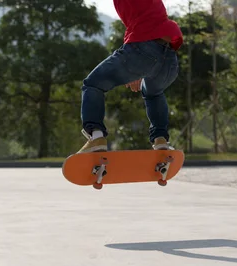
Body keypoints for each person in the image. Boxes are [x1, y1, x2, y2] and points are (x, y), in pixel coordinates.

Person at [77, 0, 184, 153]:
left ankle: (96, 136)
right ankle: (161, 140)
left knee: (93, 84)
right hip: (169, 58)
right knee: (153, 93)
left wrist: (137, 63)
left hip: (143, 48)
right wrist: (138, 70)